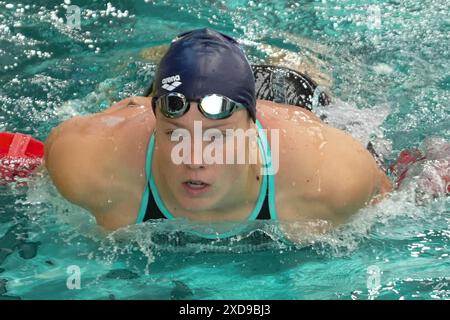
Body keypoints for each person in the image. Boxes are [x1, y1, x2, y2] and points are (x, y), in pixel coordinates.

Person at [44, 28, 392, 241]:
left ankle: (296, 59)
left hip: (286, 102)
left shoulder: (327, 175)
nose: (194, 159)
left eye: (217, 138)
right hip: (145, 109)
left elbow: (384, 192)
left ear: (253, 128)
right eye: (176, 134)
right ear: (154, 120)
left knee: (294, 75)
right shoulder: (88, 164)